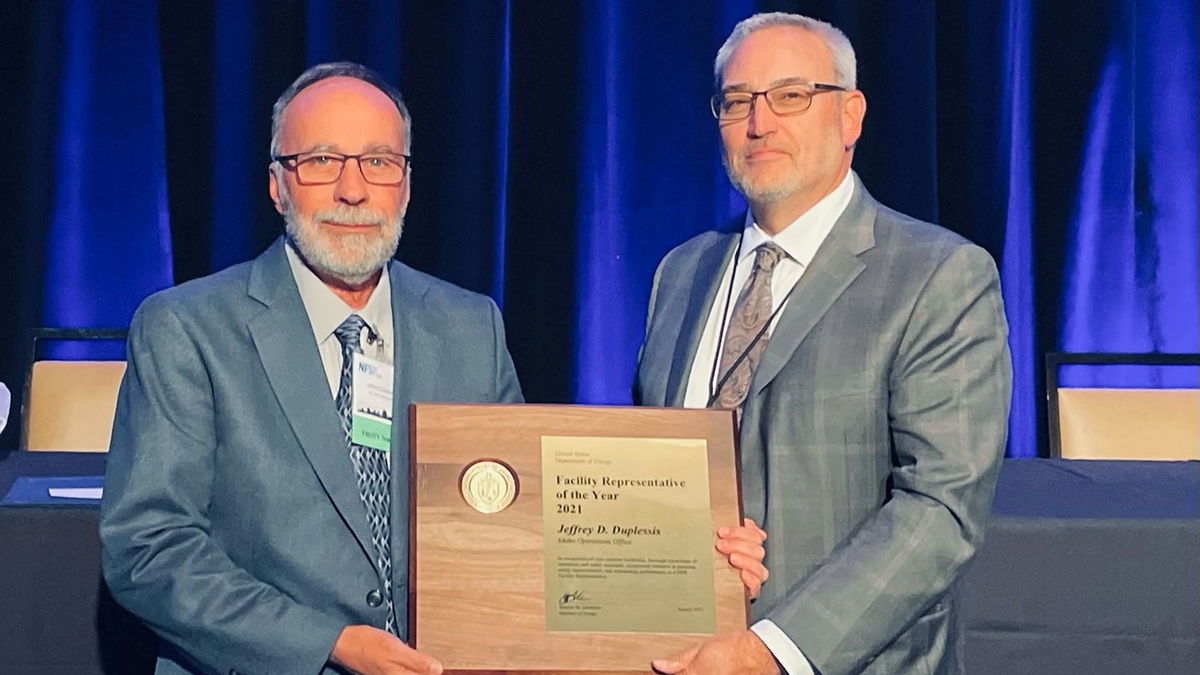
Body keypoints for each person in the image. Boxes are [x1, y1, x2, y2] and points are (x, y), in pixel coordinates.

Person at [100, 62, 521, 675]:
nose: (353, 191)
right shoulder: (186, 329)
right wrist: (330, 643)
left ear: (405, 185)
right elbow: (148, 548)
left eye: (379, 162)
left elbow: (513, 520)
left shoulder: (471, 327)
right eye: (322, 161)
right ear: (277, 185)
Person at [637, 13, 1012, 675]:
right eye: (737, 102)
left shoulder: (937, 274)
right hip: (676, 654)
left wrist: (771, 651)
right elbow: (647, 475)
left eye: (790, 96)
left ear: (850, 115)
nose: (760, 123)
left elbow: (940, 511)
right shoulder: (680, 273)